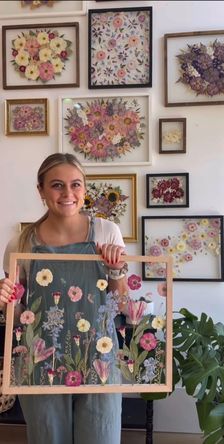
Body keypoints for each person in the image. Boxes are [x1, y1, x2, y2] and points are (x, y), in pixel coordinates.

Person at [0, 153, 128, 444]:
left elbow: (121, 305)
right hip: (40, 359)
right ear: (41, 190)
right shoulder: (20, 243)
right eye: (57, 185)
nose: (68, 194)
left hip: (99, 359)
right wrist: (5, 298)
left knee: (101, 436)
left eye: (76, 184)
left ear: (84, 189)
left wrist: (117, 271)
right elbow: (19, 312)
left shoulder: (108, 232)